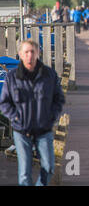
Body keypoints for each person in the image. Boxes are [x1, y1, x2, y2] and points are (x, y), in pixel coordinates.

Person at [0, 40, 65, 186]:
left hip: (44, 129)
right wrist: (15, 117)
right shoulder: (12, 77)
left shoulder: (49, 74)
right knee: (24, 172)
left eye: (32, 52)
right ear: (20, 55)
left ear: (38, 53)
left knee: (48, 167)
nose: (30, 55)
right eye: (26, 52)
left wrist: (52, 116)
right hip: (22, 131)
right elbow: (4, 102)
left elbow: (58, 98)